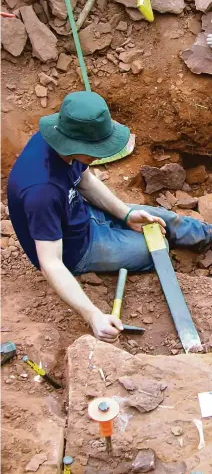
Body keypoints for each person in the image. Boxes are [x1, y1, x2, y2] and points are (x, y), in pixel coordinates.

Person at [8, 92, 212, 343]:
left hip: (80, 214)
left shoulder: (58, 139)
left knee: (161, 219)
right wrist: (93, 315)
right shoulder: (41, 191)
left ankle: (207, 236)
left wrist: (125, 214)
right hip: (76, 249)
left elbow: (83, 180)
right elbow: (50, 264)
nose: (99, 156)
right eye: (94, 151)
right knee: (154, 248)